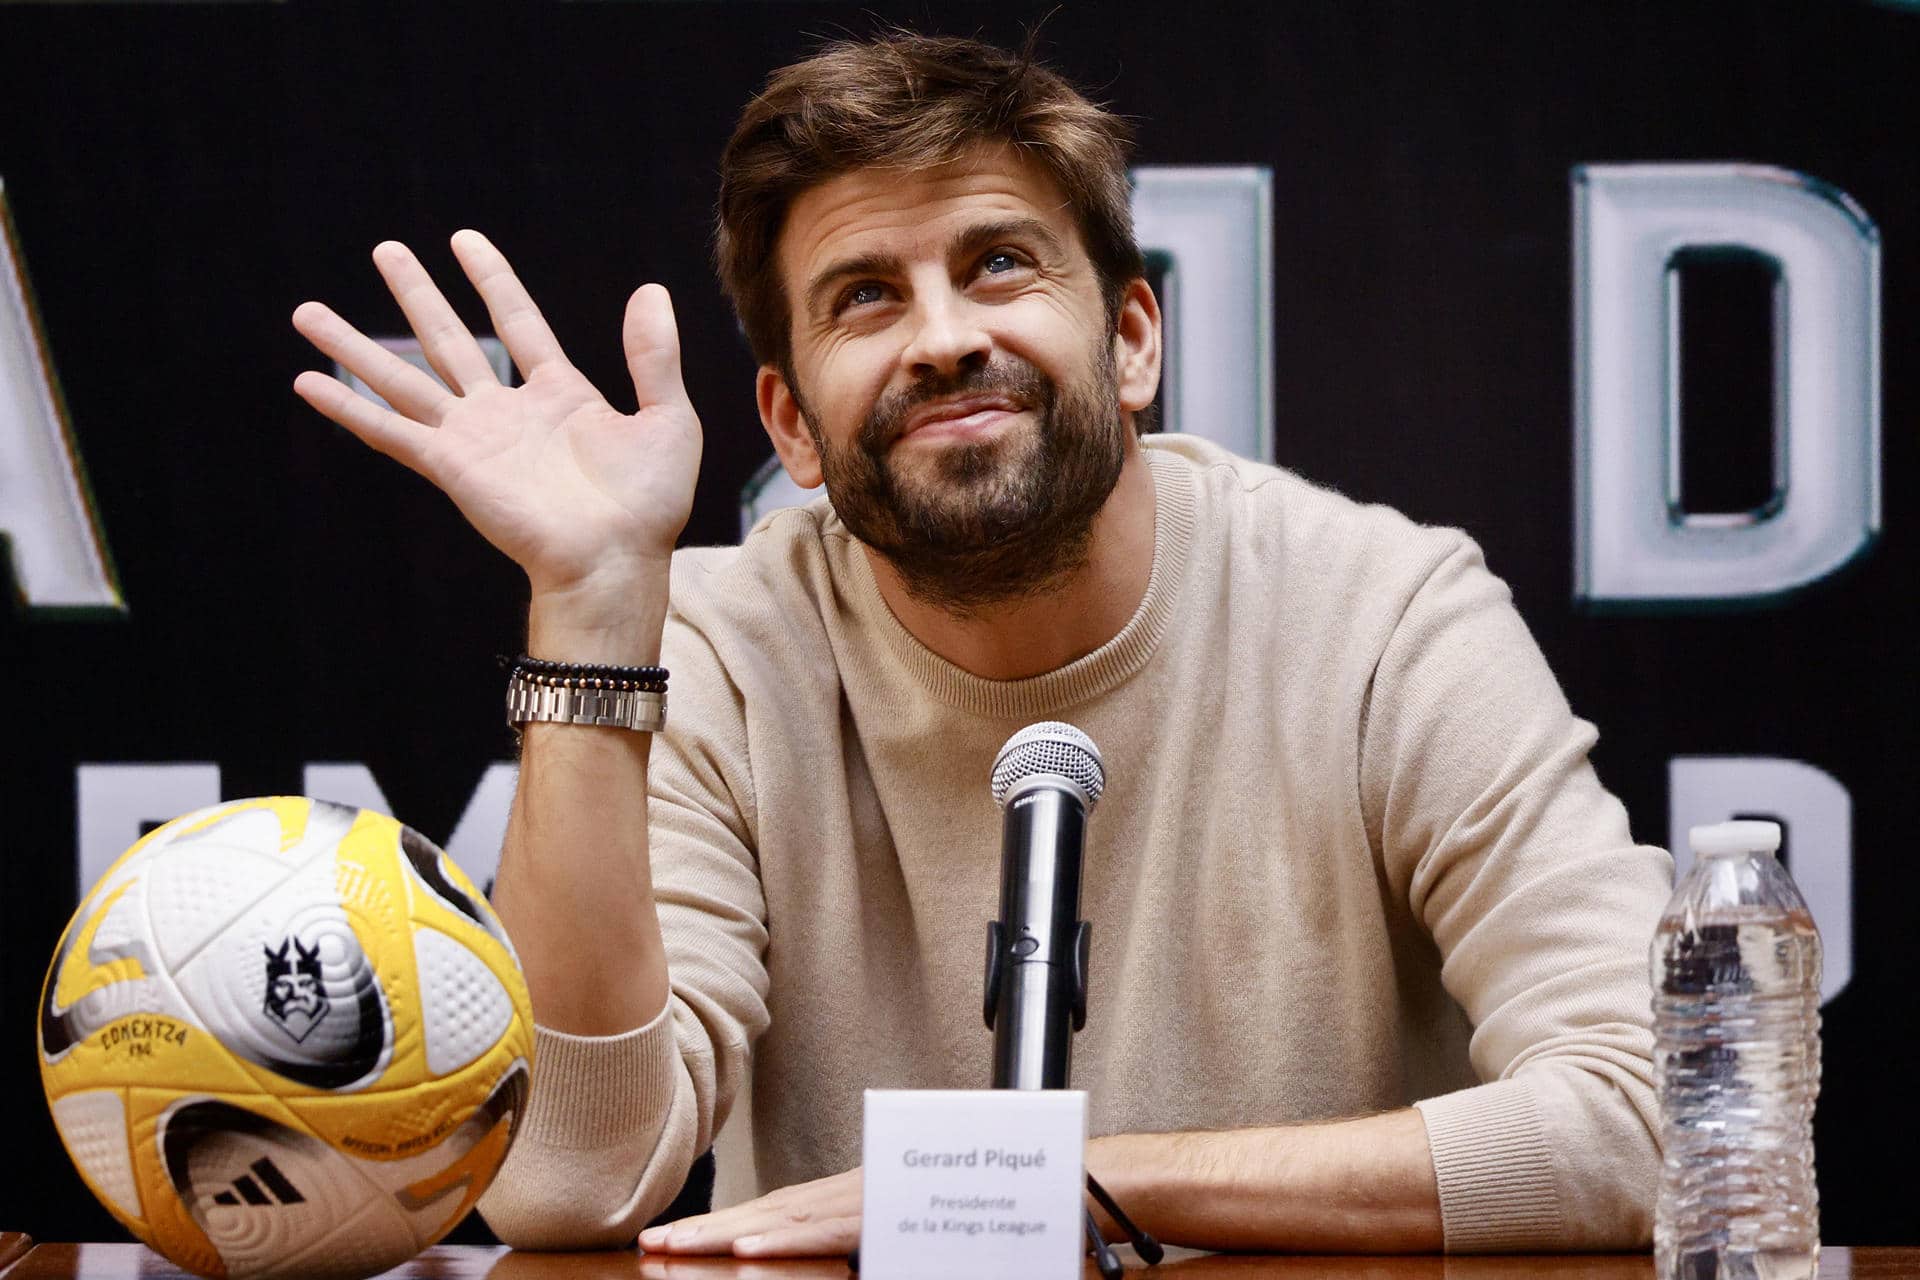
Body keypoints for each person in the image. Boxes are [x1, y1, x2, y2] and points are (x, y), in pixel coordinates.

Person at [291, 32, 1672, 1258]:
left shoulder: (1382, 615)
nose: (946, 339)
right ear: (790, 428)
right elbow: (566, 1188)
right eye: (865, 298)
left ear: (1131, 340)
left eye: (998, 263)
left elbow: (1659, 1115)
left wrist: (1076, 1189)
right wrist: (593, 607)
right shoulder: (718, 645)